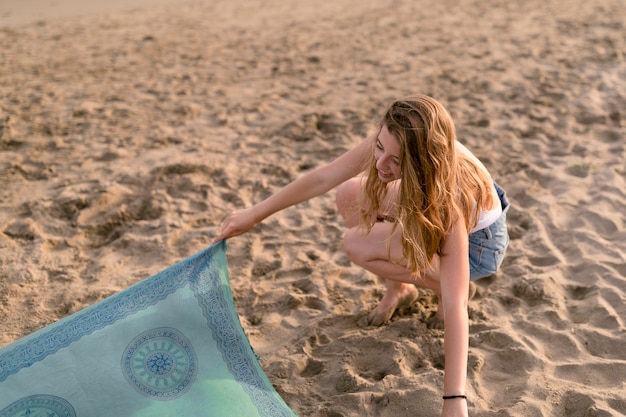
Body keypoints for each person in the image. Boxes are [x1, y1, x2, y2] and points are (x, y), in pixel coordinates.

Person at [215, 93, 510, 417]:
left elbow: (456, 308)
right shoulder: (399, 134)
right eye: (379, 148)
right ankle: (400, 288)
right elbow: (324, 177)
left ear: (422, 160)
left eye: (395, 161)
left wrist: (454, 401)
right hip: (441, 197)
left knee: (359, 244)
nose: (381, 165)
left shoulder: (448, 196)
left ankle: (449, 279)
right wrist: (255, 214)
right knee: (351, 194)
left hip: (479, 244)